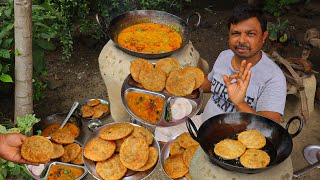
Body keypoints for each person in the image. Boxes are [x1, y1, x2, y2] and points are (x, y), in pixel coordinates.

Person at [155, 4, 286, 142]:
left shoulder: (273, 78)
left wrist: (240, 103)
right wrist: (177, 82)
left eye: (250, 34)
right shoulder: (225, 56)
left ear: (263, 36)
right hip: (204, 123)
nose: (241, 40)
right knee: (162, 130)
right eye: (236, 33)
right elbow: (210, 84)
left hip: (235, 141)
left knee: (195, 160)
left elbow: (269, 129)